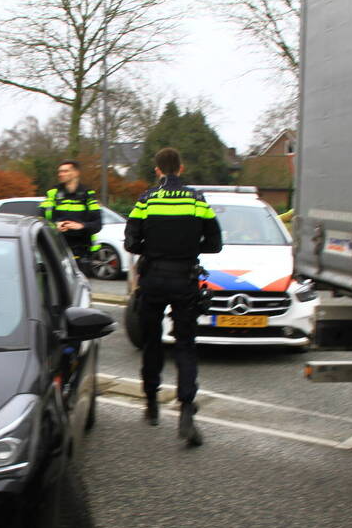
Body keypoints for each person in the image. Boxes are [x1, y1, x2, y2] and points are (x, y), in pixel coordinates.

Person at [124, 148, 221, 446]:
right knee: (185, 346)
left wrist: (154, 248)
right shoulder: (197, 200)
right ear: (181, 168)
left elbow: (131, 242)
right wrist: (189, 248)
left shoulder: (146, 200)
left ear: (157, 170)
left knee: (152, 342)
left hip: (153, 278)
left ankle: (152, 404)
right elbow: (215, 244)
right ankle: (186, 413)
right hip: (185, 279)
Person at [39, 160, 102, 272]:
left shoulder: (87, 194)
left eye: (65, 171)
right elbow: (40, 218)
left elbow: (98, 224)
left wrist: (81, 226)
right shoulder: (53, 193)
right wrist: (54, 225)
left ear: (76, 173)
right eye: (60, 171)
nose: (60, 174)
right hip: (57, 248)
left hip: (81, 251)